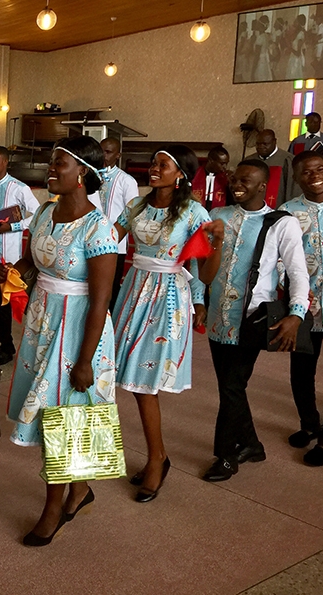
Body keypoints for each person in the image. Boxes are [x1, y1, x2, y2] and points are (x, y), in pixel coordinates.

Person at [0, 136, 118, 546]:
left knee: (66, 418)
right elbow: (34, 260)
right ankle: (80, 489)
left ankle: (53, 507)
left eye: (59, 163)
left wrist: (86, 360)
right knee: (62, 414)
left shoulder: (97, 226)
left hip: (80, 329)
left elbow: (101, 301)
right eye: (52, 161)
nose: (51, 169)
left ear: (83, 172)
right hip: (43, 318)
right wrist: (14, 271)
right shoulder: (45, 213)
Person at [113, 145, 223, 502]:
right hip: (134, 289)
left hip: (167, 296)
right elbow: (106, 239)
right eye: (154, 164)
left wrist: (217, 245)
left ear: (181, 175)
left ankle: (158, 459)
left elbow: (204, 273)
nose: (154, 169)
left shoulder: (193, 213)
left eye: (163, 165)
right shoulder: (137, 207)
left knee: (145, 383)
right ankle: (156, 455)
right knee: (130, 378)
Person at [201, 160, 309, 481]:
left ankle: (226, 456)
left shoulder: (281, 223)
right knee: (230, 387)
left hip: (251, 319)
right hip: (218, 317)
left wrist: (296, 313)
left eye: (246, 180)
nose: (237, 183)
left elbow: (297, 271)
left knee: (232, 386)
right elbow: (201, 263)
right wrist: (197, 301)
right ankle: (251, 444)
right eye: (236, 178)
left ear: (263, 186)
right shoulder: (217, 216)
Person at [281, 151, 323, 467]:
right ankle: (309, 424)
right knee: (301, 370)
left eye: (319, 168)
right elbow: (276, 256)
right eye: (306, 171)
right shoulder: (287, 213)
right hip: (303, 304)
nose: (314, 175)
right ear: (297, 176)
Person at [0, 145, 40, 364]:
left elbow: (37, 214)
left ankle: (12, 346)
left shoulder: (19, 188)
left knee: (7, 301)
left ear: (5, 162)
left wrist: (13, 227)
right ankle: (5, 343)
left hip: (10, 255)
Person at [89, 137, 140, 306]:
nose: (103, 155)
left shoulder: (127, 181)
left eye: (108, 152)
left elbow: (133, 213)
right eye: (101, 150)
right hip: (89, 240)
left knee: (110, 288)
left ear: (118, 155)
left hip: (115, 244)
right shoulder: (91, 177)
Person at [247, 129, 297, 206]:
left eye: (265, 144)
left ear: (274, 141)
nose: (261, 147)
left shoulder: (287, 160)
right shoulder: (249, 160)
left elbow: (292, 190)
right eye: (258, 144)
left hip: (278, 209)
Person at [191, 146, 231, 210]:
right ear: (211, 160)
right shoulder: (194, 174)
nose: (225, 167)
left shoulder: (225, 178)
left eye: (226, 163)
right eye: (222, 164)